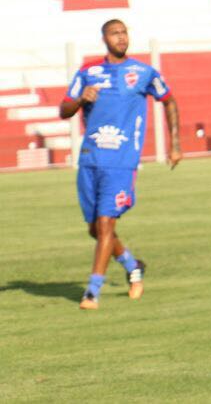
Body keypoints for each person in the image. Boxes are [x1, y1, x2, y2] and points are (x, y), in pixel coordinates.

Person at [59, 19, 181, 310]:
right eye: (115, 33)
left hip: (122, 162)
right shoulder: (88, 72)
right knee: (96, 230)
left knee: (105, 224)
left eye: (124, 32)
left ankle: (92, 292)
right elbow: (64, 110)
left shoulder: (142, 73)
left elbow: (169, 100)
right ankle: (132, 265)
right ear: (104, 38)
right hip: (90, 159)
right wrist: (79, 99)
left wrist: (175, 144)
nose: (122, 37)